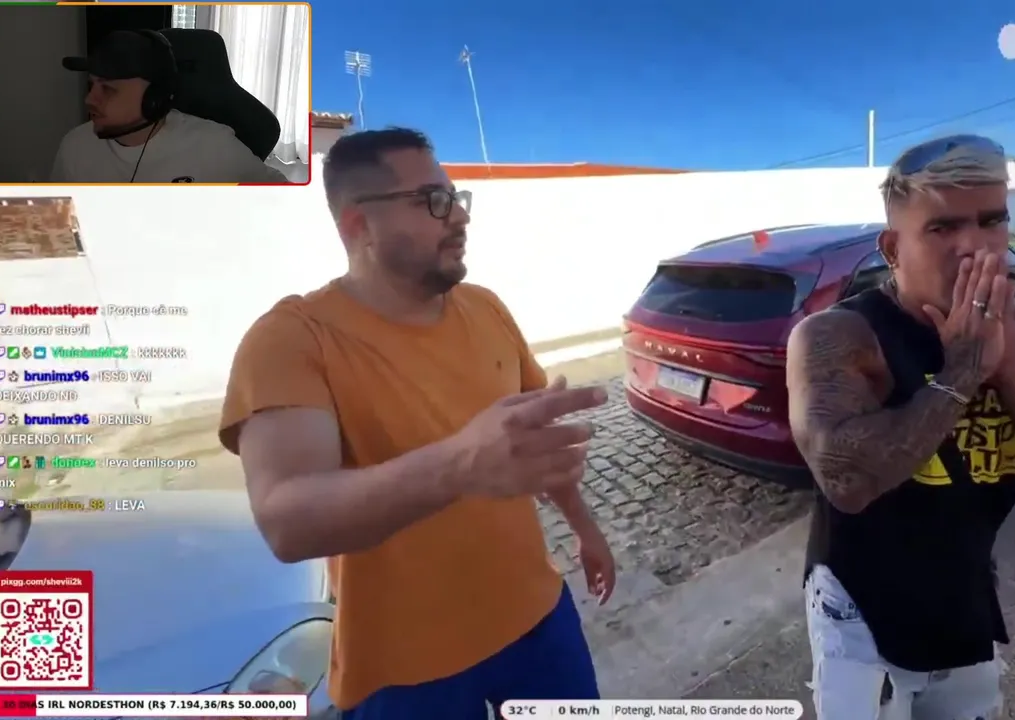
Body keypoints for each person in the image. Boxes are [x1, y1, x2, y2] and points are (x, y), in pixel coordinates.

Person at [218, 127, 615, 719]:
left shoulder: (486, 307)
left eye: (455, 198)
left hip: (535, 617)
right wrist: (459, 464)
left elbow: (535, 442)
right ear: (360, 224)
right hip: (401, 669)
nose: (459, 217)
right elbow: (287, 522)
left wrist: (586, 529)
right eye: (433, 201)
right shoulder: (293, 339)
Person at [786, 134, 1015, 720]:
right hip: (860, 609)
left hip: (964, 596)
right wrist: (963, 371)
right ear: (893, 248)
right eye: (943, 227)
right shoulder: (839, 336)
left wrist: (1009, 372)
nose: (975, 245)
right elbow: (846, 482)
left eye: (992, 220)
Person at [53, 30, 287, 183]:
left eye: (108, 89)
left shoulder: (213, 146)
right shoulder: (75, 146)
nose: (89, 99)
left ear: (155, 96)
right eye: (91, 85)